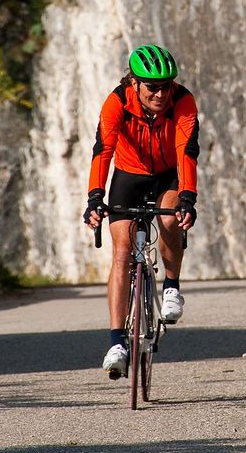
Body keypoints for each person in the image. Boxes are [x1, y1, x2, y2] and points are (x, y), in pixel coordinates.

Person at [83, 44, 198, 379]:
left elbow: (186, 150)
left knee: (168, 217)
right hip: (129, 176)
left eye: (166, 85)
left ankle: (172, 286)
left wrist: (188, 197)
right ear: (134, 82)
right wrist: (94, 197)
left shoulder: (182, 100)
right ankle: (117, 342)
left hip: (168, 175)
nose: (161, 93)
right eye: (153, 87)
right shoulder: (117, 101)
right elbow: (103, 149)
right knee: (121, 252)